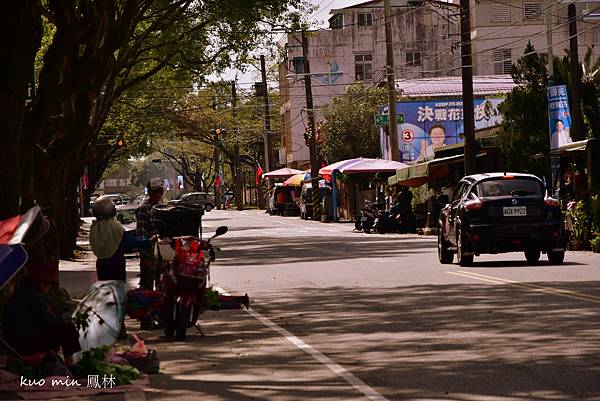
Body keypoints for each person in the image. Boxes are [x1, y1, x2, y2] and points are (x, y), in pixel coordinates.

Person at [2, 262, 81, 368]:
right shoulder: (35, 296)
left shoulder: (24, 292)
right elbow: (50, 321)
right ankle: (71, 366)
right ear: (43, 283)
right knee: (68, 330)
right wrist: (64, 320)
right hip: (24, 341)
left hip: (16, 338)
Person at [136, 179, 164, 290]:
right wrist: (144, 256)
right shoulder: (143, 209)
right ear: (149, 192)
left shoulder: (161, 208)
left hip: (162, 252)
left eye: (160, 192)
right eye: (155, 192)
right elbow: (141, 234)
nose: (158, 194)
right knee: (147, 289)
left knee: (163, 286)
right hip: (149, 253)